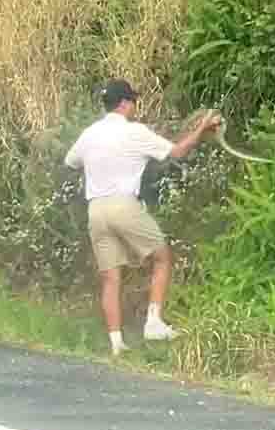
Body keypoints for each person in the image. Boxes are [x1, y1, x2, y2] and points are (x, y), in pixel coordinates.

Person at [64, 79, 222, 355]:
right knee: (162, 257)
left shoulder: (90, 133)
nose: (135, 106)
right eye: (134, 101)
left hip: (96, 210)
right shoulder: (134, 132)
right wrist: (202, 129)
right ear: (125, 103)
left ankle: (116, 344)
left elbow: (71, 161)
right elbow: (177, 152)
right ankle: (154, 323)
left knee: (111, 277)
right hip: (123, 205)